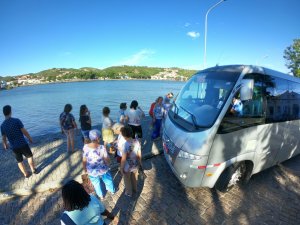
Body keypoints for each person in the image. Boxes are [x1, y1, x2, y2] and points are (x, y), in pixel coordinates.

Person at [1, 105, 37, 178]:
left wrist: (5, 145)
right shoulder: (16, 120)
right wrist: (29, 138)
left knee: (19, 161)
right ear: (10, 112)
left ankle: (25, 174)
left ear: (3, 113)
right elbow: (24, 132)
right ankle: (33, 170)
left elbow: (4, 138)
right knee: (29, 156)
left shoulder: (2, 125)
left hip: (14, 147)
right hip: (23, 143)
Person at [82, 129, 115, 200]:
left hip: (91, 171)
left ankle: (101, 196)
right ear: (97, 138)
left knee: (96, 184)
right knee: (108, 180)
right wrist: (109, 162)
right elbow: (106, 159)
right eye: (100, 137)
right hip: (103, 169)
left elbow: (84, 159)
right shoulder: (102, 147)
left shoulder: (85, 147)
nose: (100, 139)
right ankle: (112, 190)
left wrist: (84, 168)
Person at [120, 126, 142, 197]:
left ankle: (129, 192)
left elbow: (123, 159)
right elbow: (139, 155)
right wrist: (139, 163)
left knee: (127, 180)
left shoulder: (125, 145)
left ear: (123, 136)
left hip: (127, 167)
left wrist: (121, 168)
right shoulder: (137, 142)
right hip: (135, 164)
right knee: (134, 178)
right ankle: (135, 189)